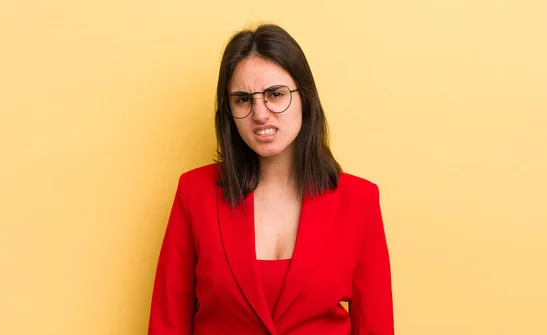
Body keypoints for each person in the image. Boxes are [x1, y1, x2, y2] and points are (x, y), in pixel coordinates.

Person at [148, 23, 394, 335]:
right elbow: (167, 323)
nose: (260, 113)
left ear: (304, 97)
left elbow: (377, 327)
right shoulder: (194, 193)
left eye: (275, 95)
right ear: (229, 110)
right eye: (243, 99)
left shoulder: (359, 200)